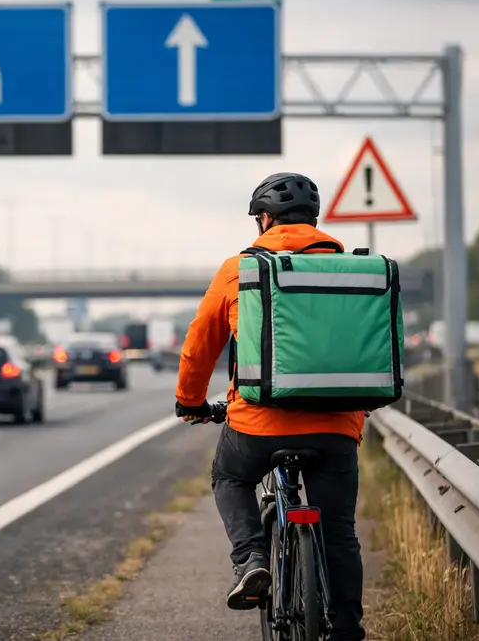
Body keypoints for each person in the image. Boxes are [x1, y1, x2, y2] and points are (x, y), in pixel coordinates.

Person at [174, 172, 366, 641]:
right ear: (315, 221)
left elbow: (201, 344)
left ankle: (252, 559)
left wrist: (190, 402)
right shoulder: (352, 270)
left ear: (264, 219)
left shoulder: (238, 269)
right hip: (334, 427)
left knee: (229, 476)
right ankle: (346, 631)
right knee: (339, 533)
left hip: (257, 425)